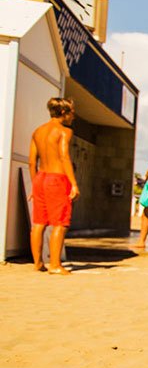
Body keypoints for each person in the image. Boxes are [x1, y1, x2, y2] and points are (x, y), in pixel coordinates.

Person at [29, 97, 80, 274]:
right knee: (60, 222)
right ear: (64, 113)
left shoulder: (38, 131)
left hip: (40, 178)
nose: (74, 116)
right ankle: (55, 265)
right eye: (72, 113)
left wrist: (34, 184)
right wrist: (73, 183)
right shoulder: (64, 131)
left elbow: (31, 162)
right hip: (57, 179)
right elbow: (64, 157)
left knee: (39, 222)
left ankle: (37, 263)